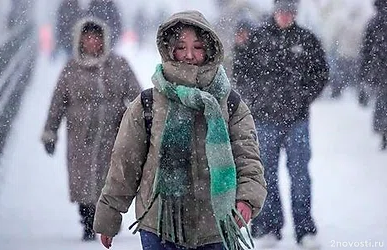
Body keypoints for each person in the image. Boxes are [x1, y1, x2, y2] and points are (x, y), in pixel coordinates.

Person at [93, 10, 267, 250]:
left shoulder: (230, 104)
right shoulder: (147, 103)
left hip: (215, 226)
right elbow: (125, 163)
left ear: (210, 50)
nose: (189, 55)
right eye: (181, 47)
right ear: (169, 49)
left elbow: (247, 158)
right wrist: (109, 214)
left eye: (197, 47)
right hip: (159, 226)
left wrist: (246, 198)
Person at [233, 0, 329, 248]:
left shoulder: (307, 40)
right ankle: (267, 227)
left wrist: (304, 96)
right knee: (266, 176)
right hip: (265, 120)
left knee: (300, 176)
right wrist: (256, 98)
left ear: (296, 12)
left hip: (297, 120)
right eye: (282, 10)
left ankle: (304, 229)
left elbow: (321, 73)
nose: (286, 16)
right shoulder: (258, 38)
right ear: (275, 11)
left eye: (290, 11)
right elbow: (241, 72)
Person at [41, 17, 141, 241]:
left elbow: (137, 96)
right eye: (87, 38)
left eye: (96, 38)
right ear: (80, 41)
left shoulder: (119, 65)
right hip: (81, 136)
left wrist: (141, 121)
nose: (92, 42)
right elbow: (57, 103)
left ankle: (107, 220)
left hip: (112, 135)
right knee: (83, 180)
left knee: (110, 180)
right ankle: (87, 221)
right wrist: (50, 132)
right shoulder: (71, 69)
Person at [359, 0, 387, 149]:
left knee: (382, 100)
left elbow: (366, 51)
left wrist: (364, 73)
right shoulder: (374, 24)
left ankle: (384, 134)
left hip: (380, 71)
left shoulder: (374, 23)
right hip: (380, 69)